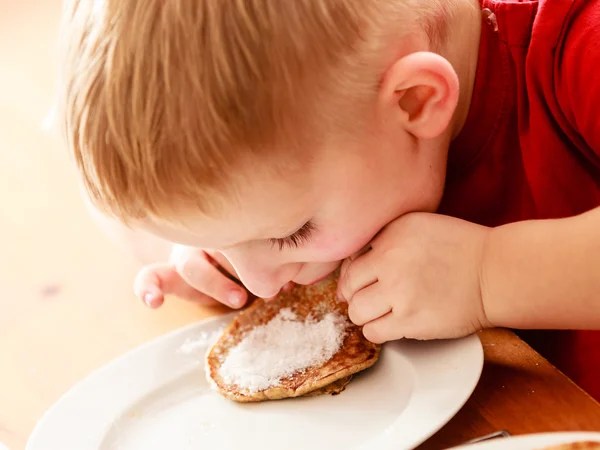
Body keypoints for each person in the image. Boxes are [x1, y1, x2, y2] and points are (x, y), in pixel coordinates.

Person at [58, 0, 600, 399]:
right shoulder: (342, 126)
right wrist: (219, 252)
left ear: (415, 101)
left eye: (289, 234)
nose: (261, 282)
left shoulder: (575, 44)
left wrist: (487, 274)